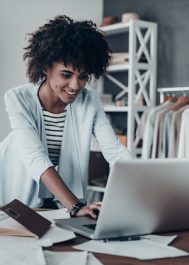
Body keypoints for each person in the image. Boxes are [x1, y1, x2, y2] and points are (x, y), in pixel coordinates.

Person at [0, 15, 132, 218]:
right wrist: (76, 206)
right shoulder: (17, 99)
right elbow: (37, 159)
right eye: (66, 74)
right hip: (19, 199)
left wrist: (140, 184)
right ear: (46, 67)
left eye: (83, 77)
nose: (76, 86)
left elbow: (114, 151)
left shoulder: (90, 101)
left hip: (62, 203)